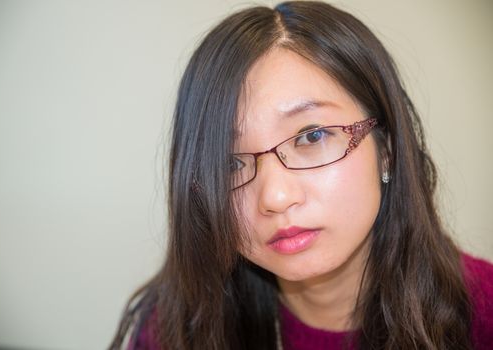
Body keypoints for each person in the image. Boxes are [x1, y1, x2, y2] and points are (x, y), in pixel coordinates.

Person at [110, 1, 493, 349]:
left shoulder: (482, 317)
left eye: (311, 136)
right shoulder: (175, 330)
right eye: (230, 164)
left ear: (387, 151)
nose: (275, 197)